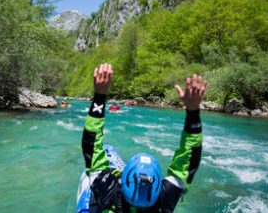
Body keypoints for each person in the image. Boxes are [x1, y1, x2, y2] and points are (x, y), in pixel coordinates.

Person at [81, 63, 206, 212]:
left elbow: (91, 144)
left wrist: (99, 96)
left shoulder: (109, 193)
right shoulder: (164, 202)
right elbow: (189, 160)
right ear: (159, 187)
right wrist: (193, 112)